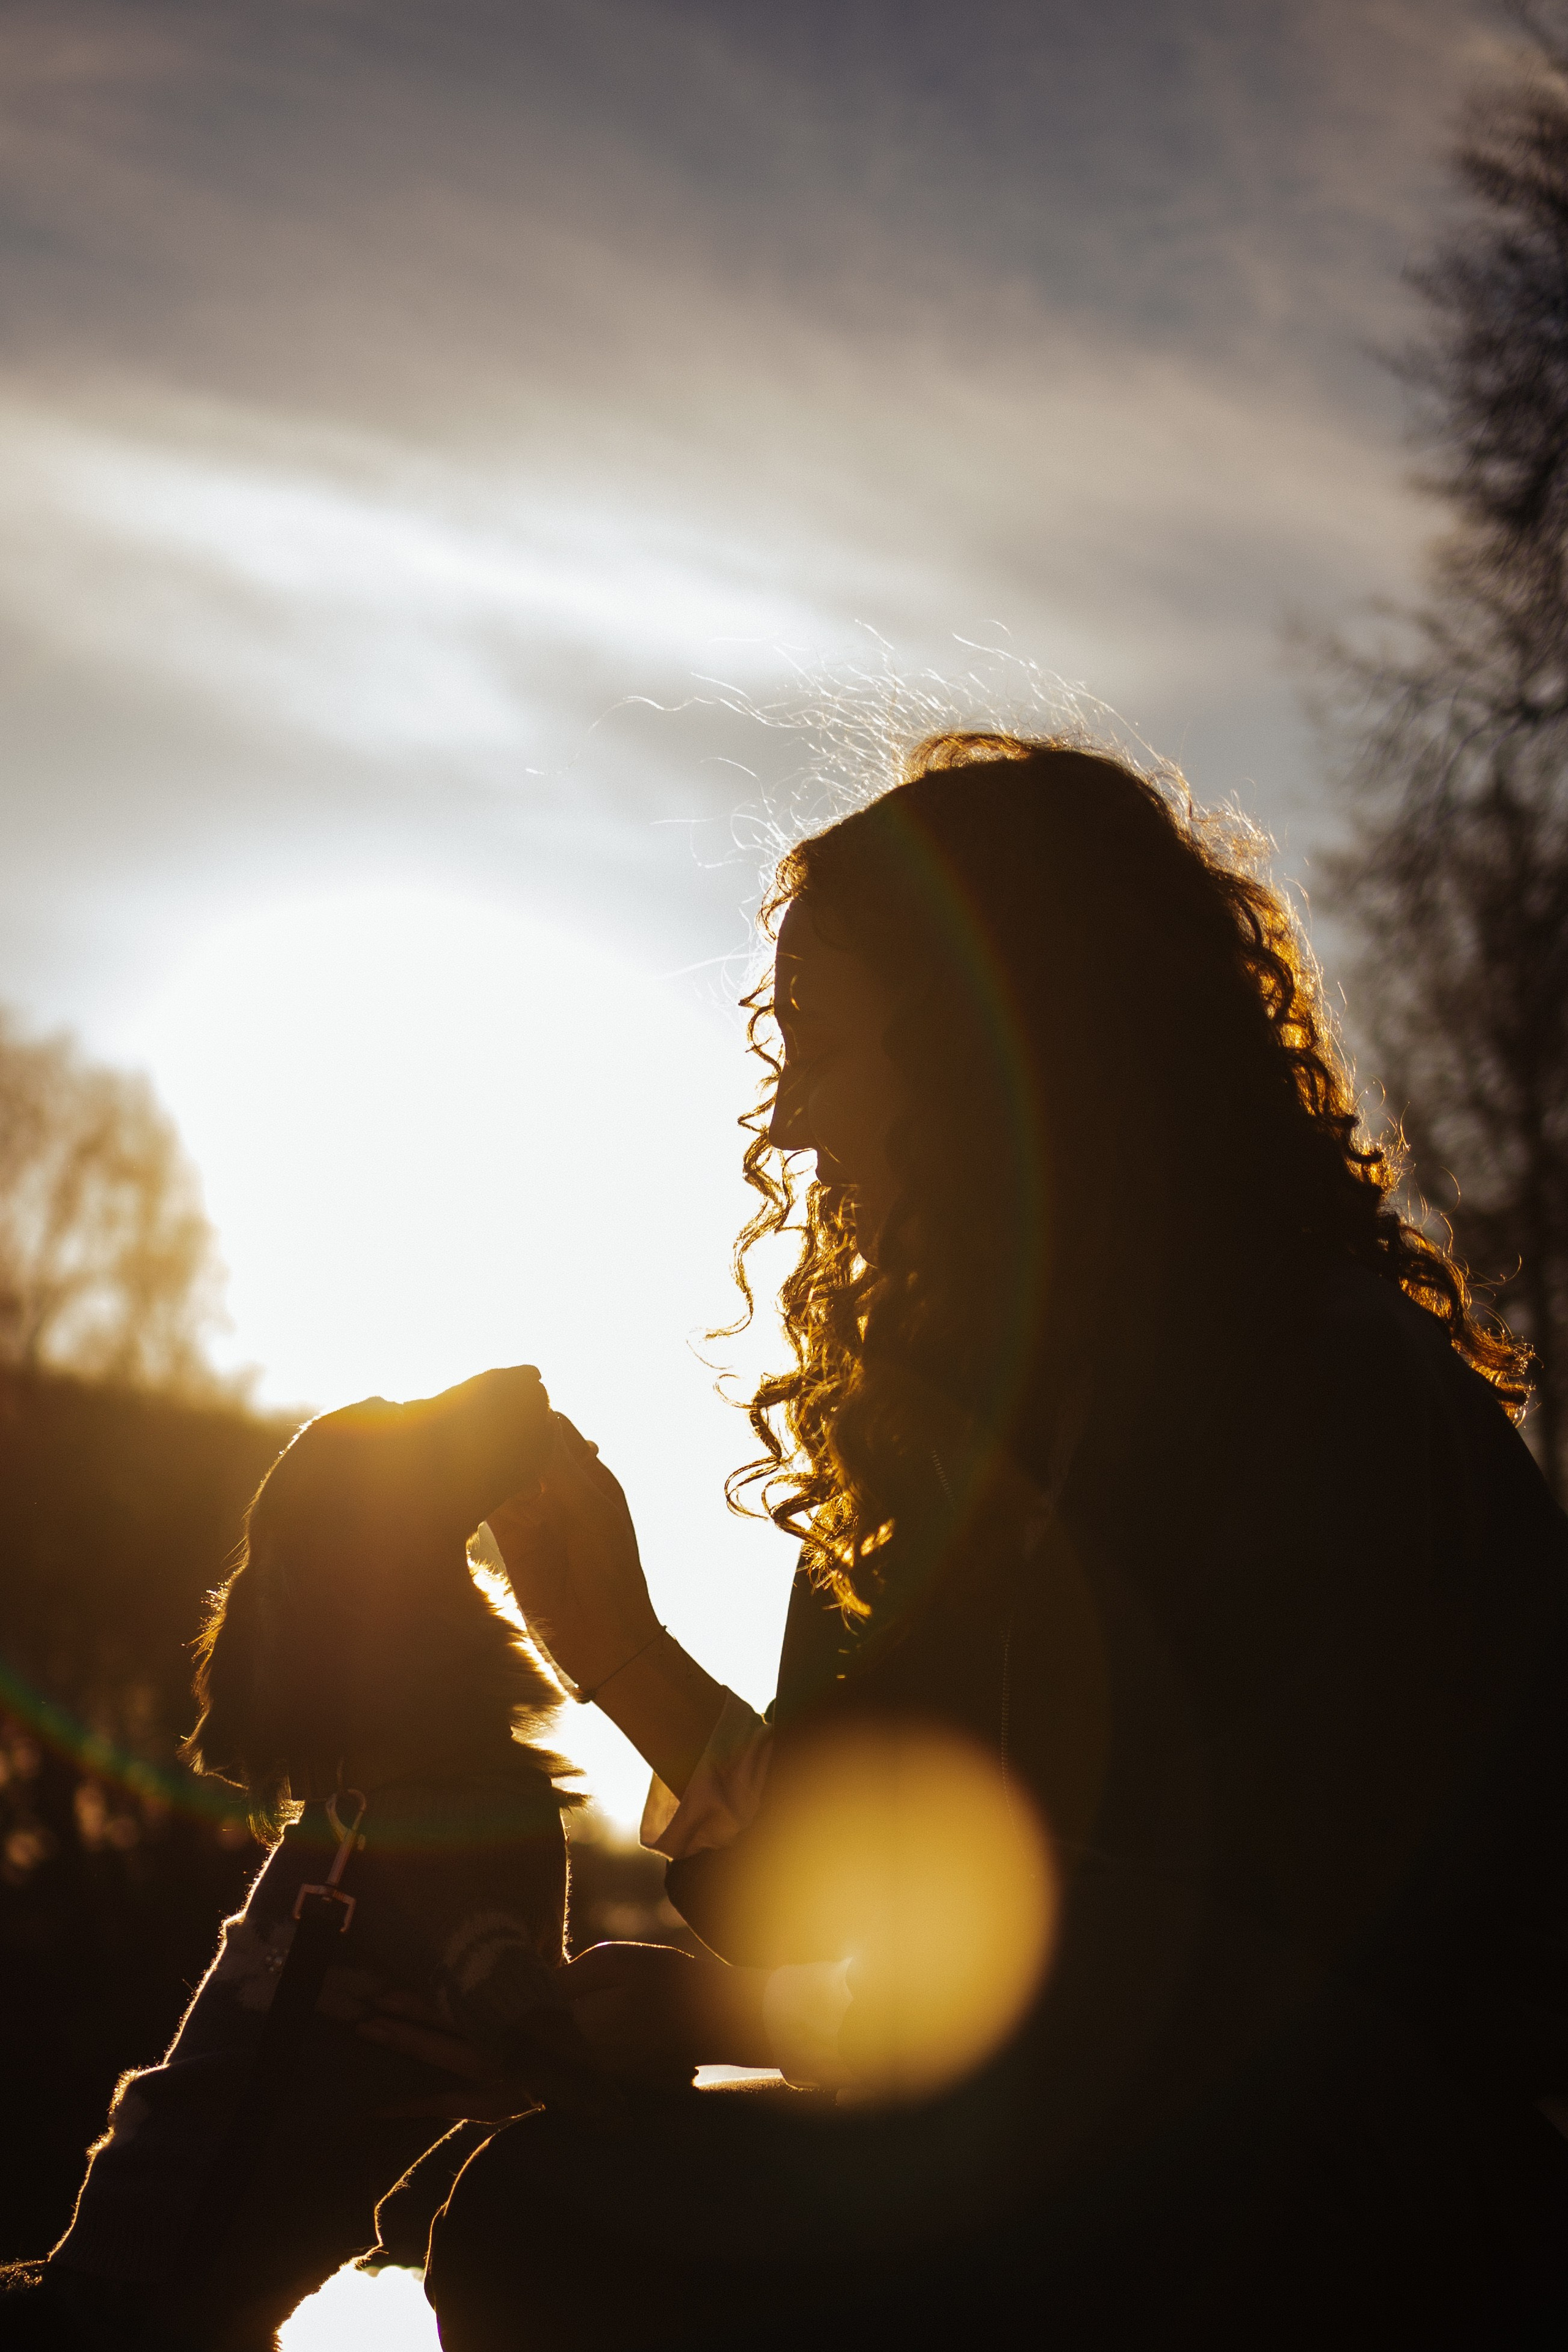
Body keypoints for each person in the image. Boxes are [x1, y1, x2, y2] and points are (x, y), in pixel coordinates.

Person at [365, 733, 1568, 2348]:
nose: (784, 1125)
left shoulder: (1330, 1393)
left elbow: (1232, 1974)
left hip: (1358, 2217)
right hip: (1099, 2186)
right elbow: (885, 1895)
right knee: (538, 2220)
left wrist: (757, 2013)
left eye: (815, 1043)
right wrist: (617, 1654)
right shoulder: (936, 1442)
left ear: (1009, 1047)